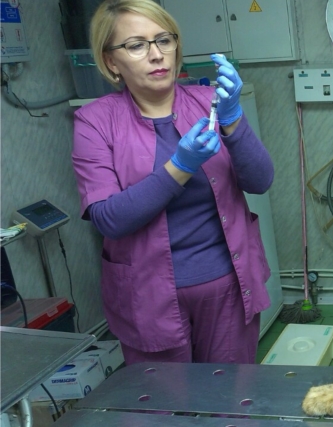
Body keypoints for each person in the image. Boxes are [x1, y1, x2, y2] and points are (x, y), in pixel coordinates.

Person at [71, 0, 274, 365]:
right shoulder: (95, 121)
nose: (157, 55)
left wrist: (233, 120)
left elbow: (260, 180)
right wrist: (179, 166)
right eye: (136, 45)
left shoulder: (208, 103)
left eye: (164, 40)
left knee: (228, 404)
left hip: (229, 287)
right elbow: (109, 219)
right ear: (111, 61)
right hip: (149, 299)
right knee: (165, 410)